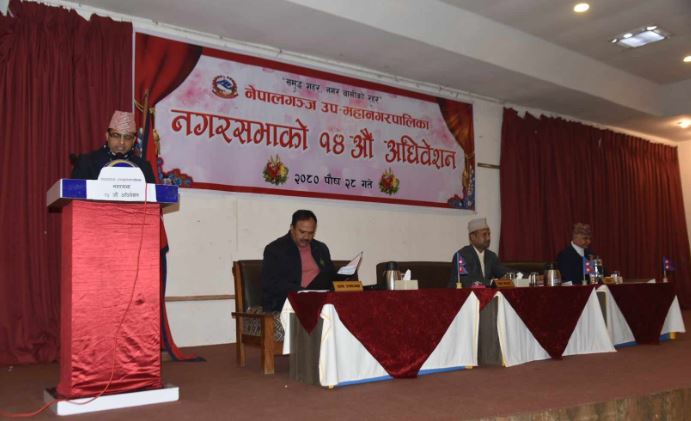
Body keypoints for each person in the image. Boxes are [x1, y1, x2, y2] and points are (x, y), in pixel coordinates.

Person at [261, 210, 338, 312]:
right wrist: (303, 292)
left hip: (320, 303)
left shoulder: (321, 248)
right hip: (288, 304)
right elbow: (271, 284)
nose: (306, 237)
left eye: (310, 233)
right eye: (302, 232)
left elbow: (330, 276)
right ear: (292, 228)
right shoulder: (275, 249)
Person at [71, 110, 155, 183]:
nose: (122, 142)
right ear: (107, 136)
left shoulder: (143, 167)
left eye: (127, 137)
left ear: (134, 140)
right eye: (116, 135)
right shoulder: (87, 163)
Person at [448, 217, 509, 288]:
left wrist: (518, 276)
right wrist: (491, 282)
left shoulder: (491, 256)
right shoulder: (461, 256)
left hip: (484, 293)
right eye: (484, 234)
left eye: (489, 234)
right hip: (462, 294)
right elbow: (466, 280)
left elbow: (503, 271)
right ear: (473, 237)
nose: (488, 238)